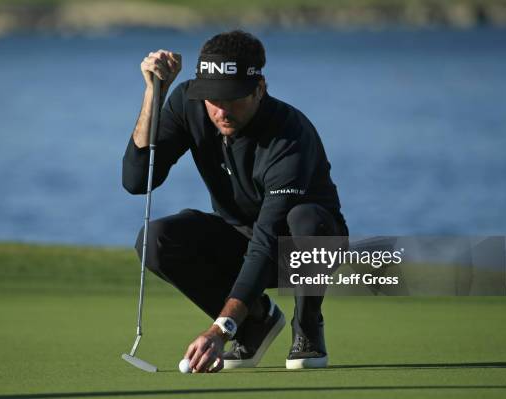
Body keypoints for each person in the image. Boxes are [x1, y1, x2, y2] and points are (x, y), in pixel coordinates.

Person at [122, 30, 348, 373]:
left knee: (305, 220)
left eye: (233, 98)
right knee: (155, 239)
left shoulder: (289, 136)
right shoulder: (189, 103)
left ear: (259, 89)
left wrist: (220, 328)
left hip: (302, 245)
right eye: (213, 98)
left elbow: (269, 238)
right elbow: (138, 181)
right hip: (239, 236)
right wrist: (155, 93)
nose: (222, 109)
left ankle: (307, 325)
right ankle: (255, 321)